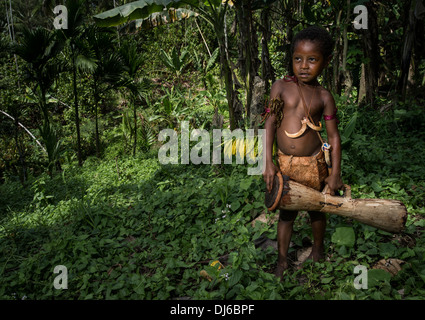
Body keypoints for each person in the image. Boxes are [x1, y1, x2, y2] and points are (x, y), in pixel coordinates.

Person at [262, 26, 344, 279]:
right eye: (298, 59)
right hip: (285, 165)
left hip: (315, 165)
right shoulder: (280, 87)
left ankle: (317, 252)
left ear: (326, 62)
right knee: (286, 214)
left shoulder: (323, 96)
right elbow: (270, 124)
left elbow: (333, 137)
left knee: (317, 209)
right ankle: (282, 261)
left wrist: (335, 174)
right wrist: (267, 161)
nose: (304, 66)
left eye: (312, 59)